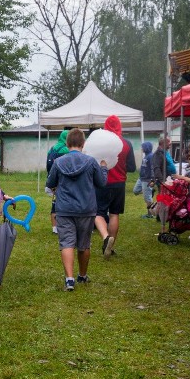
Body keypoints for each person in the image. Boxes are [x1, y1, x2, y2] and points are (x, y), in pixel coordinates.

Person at [46, 128, 109, 291]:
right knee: (84, 244)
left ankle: (69, 279)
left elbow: (50, 183)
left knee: (66, 242)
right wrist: (103, 168)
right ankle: (82, 275)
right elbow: (102, 183)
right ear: (83, 143)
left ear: (67, 144)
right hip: (86, 209)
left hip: (64, 209)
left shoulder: (59, 162)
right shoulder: (90, 162)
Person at [94, 115, 135, 259]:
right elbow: (132, 167)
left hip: (102, 182)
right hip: (119, 183)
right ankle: (110, 248)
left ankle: (106, 238)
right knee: (114, 214)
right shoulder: (126, 143)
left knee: (97, 213)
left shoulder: (99, 143)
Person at [46, 130, 70, 234]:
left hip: (53, 180)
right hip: (63, 181)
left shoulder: (52, 148)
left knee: (54, 204)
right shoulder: (66, 149)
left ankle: (54, 228)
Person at [133, 141, 155, 218]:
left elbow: (153, 169)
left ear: (146, 148)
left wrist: (152, 180)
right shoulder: (146, 156)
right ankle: (149, 191)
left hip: (147, 179)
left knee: (147, 198)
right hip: (141, 178)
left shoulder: (151, 156)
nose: (141, 148)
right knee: (135, 191)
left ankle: (150, 214)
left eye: (143, 147)